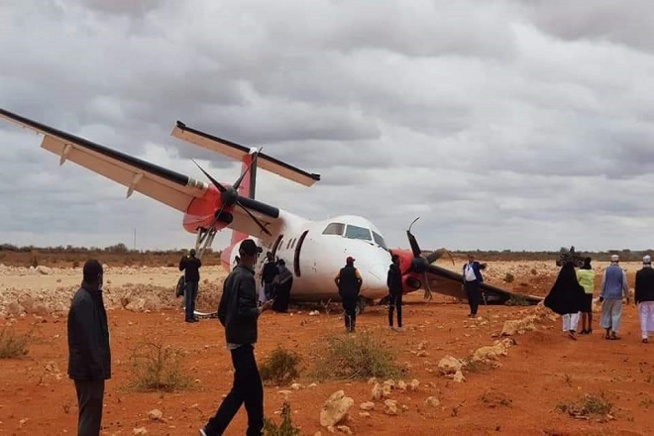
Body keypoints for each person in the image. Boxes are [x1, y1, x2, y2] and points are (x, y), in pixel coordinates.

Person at [201, 239, 272, 436]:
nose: (257, 259)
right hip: (243, 342)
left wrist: (230, 329)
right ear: (250, 256)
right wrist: (261, 308)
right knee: (244, 389)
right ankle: (212, 429)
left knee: (252, 389)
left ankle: (252, 430)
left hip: (235, 340)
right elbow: (244, 310)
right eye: (256, 255)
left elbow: (222, 311)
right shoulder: (247, 279)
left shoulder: (232, 276)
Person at [67, 259, 111, 436]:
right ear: (99, 277)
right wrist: (97, 369)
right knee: (90, 418)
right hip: (88, 372)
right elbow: (89, 341)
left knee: (91, 416)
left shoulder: (87, 297)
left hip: (86, 370)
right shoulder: (85, 301)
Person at [544, 260, 586, 340]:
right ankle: (572, 330)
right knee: (575, 313)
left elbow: (556, 287)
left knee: (565, 312)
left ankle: (566, 328)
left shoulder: (562, 276)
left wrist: (549, 298)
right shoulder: (573, 275)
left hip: (564, 299)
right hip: (573, 299)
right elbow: (577, 285)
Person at [599, 254, 630, 340]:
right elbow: (625, 284)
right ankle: (613, 333)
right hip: (617, 296)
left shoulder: (606, 271)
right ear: (618, 261)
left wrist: (601, 295)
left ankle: (607, 333)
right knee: (616, 314)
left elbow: (603, 283)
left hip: (607, 295)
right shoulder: (621, 271)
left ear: (611, 261)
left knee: (606, 313)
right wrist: (627, 296)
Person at [335, 256, 362, 333]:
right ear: (352, 263)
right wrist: (358, 288)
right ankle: (353, 327)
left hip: (345, 294)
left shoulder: (342, 270)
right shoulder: (354, 270)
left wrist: (339, 287)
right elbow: (360, 278)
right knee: (353, 310)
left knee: (346, 310)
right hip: (353, 293)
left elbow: (336, 279)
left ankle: (347, 327)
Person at [635, 255, 654, 344]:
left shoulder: (639, 273)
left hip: (642, 298)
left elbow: (637, 287)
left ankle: (644, 336)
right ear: (650, 262)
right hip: (653, 298)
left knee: (644, 316)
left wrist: (636, 298)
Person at [179, 248, 202, 323]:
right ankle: (190, 316)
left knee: (190, 299)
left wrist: (184, 258)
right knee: (191, 300)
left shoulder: (187, 261)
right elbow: (199, 264)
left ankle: (190, 316)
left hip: (190, 281)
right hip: (193, 281)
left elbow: (181, 268)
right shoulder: (196, 261)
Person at [576, 257, 595, 334]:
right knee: (589, 310)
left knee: (583, 311)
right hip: (590, 291)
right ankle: (589, 327)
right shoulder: (592, 272)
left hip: (582, 292)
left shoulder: (580, 271)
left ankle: (583, 328)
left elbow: (577, 280)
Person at [387, 254, 404, 331]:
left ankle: (390, 325)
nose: (399, 261)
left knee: (391, 308)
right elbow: (399, 282)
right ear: (396, 260)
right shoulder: (397, 270)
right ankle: (399, 326)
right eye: (398, 259)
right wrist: (400, 289)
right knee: (398, 309)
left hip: (391, 291)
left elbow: (388, 281)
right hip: (398, 291)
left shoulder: (390, 270)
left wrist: (390, 289)